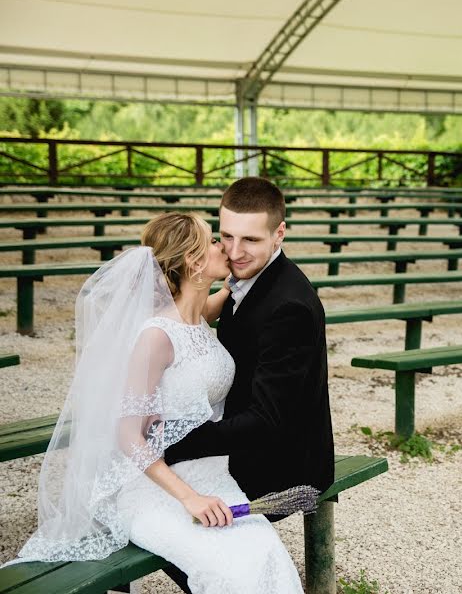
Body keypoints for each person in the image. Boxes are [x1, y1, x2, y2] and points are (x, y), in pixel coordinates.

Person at [8, 212, 309, 593]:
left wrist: (247, 274)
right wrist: (190, 499)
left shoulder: (197, 315)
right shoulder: (156, 337)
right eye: (214, 241)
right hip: (156, 490)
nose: (225, 248)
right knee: (230, 573)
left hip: (212, 475)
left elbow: (216, 300)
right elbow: (128, 434)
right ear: (193, 261)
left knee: (268, 555)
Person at [163, 177, 336, 591]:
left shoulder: (288, 306)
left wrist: (176, 444)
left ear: (280, 233)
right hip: (237, 435)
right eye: (226, 236)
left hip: (278, 460)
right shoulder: (244, 280)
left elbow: (267, 420)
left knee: (178, 519)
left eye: (251, 240)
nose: (235, 253)